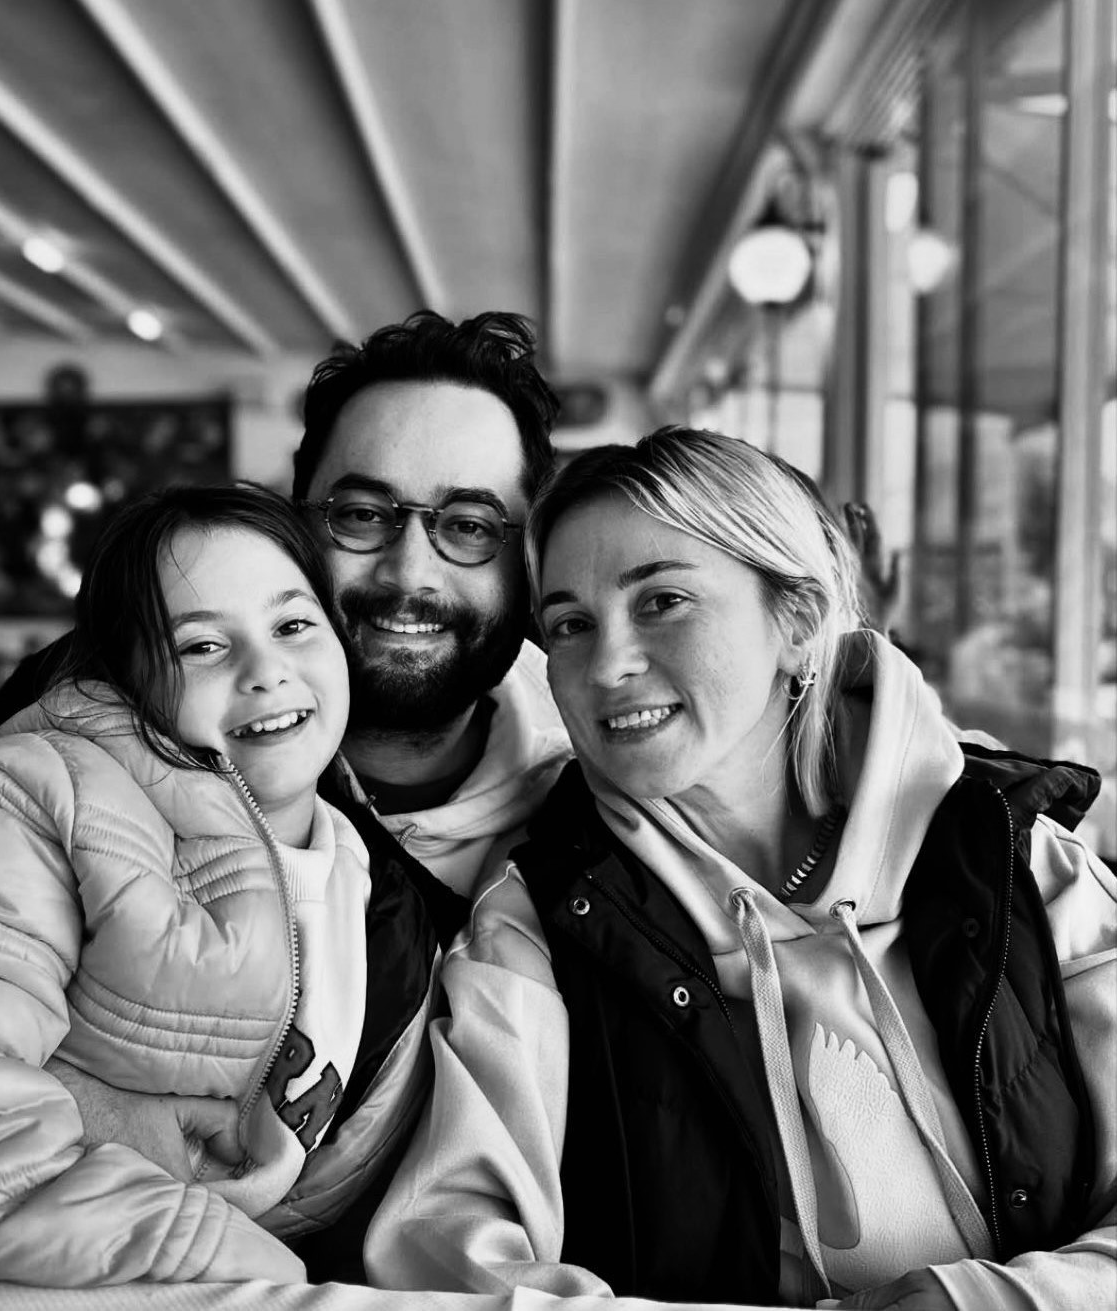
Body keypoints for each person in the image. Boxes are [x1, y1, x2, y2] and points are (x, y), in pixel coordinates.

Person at [0, 311, 573, 1279]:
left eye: (468, 526)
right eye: (361, 514)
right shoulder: (98, 716)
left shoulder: (581, 803)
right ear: (296, 522)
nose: (408, 571)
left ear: (527, 556)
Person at [366, 426, 1116, 1310]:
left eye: (662, 601)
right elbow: (445, 1253)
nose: (607, 664)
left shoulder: (1016, 858)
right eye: (569, 624)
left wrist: (985, 1300)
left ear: (796, 621)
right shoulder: (541, 918)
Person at [0, 483, 449, 1286]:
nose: (266, 671)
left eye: (293, 625)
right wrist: (224, 1258)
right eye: (202, 645)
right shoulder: (35, 799)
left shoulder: (384, 902)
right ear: (126, 675)